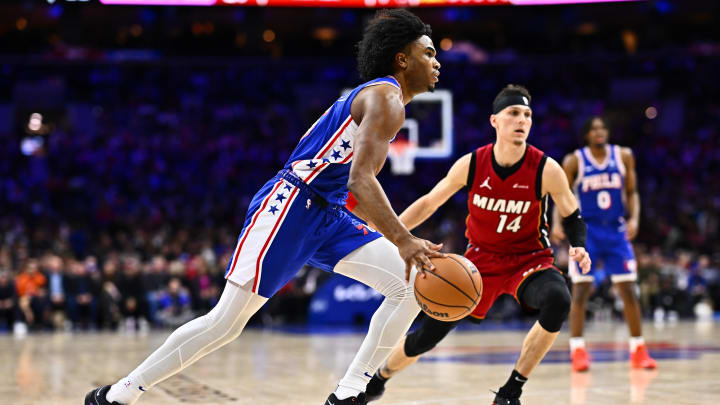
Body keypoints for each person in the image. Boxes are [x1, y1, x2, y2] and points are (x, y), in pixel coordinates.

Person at [85, 9, 442, 405]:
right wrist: (403, 239)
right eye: (428, 53)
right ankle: (119, 395)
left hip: (327, 212)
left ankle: (350, 393)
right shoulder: (386, 96)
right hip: (293, 204)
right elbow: (362, 179)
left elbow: (351, 181)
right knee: (226, 323)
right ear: (402, 58)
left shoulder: (383, 99)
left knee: (410, 284)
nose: (437, 61)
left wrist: (386, 234)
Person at [362, 85, 591, 405]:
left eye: (527, 114)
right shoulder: (471, 164)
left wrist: (579, 244)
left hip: (529, 260)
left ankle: (511, 390)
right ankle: (379, 378)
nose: (522, 120)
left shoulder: (545, 169)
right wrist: (389, 231)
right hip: (478, 263)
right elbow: (429, 203)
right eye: (513, 113)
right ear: (495, 120)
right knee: (426, 336)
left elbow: (572, 214)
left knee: (557, 299)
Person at [551, 116, 656, 372]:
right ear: (586, 134)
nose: (599, 132)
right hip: (586, 231)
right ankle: (577, 350)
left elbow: (632, 192)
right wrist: (556, 223)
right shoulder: (574, 160)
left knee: (629, 290)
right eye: (594, 128)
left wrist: (635, 218)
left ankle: (638, 350)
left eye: (603, 127)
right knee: (581, 291)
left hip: (615, 230)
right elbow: (560, 194)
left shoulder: (624, 155)